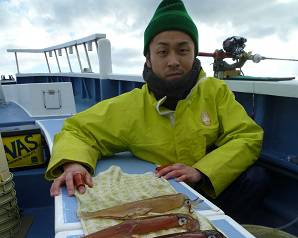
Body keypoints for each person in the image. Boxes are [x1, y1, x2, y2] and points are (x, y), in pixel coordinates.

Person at [46, 0, 268, 222]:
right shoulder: (131, 105)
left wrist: (201, 171)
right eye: (162, 52)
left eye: (183, 50)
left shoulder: (216, 92)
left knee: (257, 177)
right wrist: (75, 164)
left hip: (212, 187)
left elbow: (246, 136)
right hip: (160, 195)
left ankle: (229, 231)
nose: (173, 61)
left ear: (194, 54)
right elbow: (78, 130)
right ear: (149, 59)